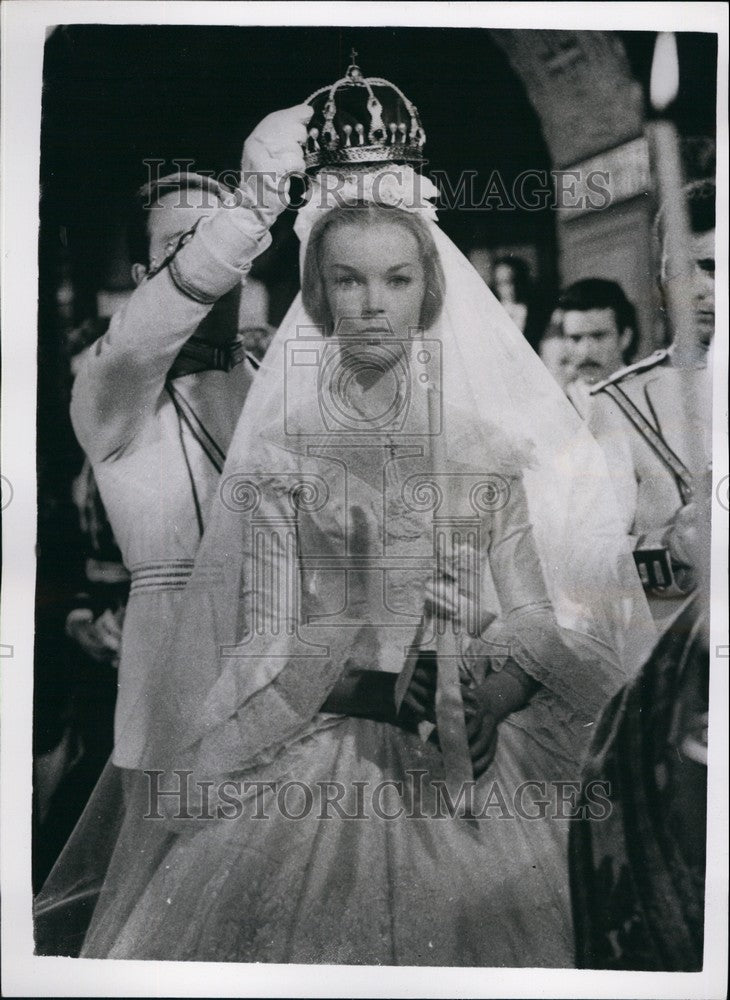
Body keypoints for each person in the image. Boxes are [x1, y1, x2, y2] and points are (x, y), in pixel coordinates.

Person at [37, 70, 654, 967]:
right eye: (351, 283)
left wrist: (496, 689)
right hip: (296, 736)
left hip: (462, 759)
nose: (374, 303)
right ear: (320, 296)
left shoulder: (473, 435)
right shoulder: (236, 429)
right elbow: (265, 634)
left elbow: (528, 607)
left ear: (428, 289)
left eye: (398, 280)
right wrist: (374, 686)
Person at [69, 106, 310, 770]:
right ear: (143, 282)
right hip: (173, 703)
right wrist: (254, 201)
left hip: (301, 706)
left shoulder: (279, 390)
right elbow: (151, 328)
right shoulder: (106, 391)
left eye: (224, 238)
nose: (211, 256)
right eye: (183, 244)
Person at [585, 179, 715, 625]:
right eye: (679, 269)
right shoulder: (619, 403)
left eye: (714, 266)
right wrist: (673, 548)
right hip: (680, 667)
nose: (696, 289)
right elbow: (587, 570)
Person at [557, 278, 639, 417]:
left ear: (625, 337)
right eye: (575, 339)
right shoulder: (556, 407)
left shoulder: (653, 396)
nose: (585, 351)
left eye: (598, 336)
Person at [491, 255, 546, 351]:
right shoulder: (492, 314)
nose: (511, 288)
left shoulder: (537, 312)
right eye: (503, 282)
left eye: (514, 281)